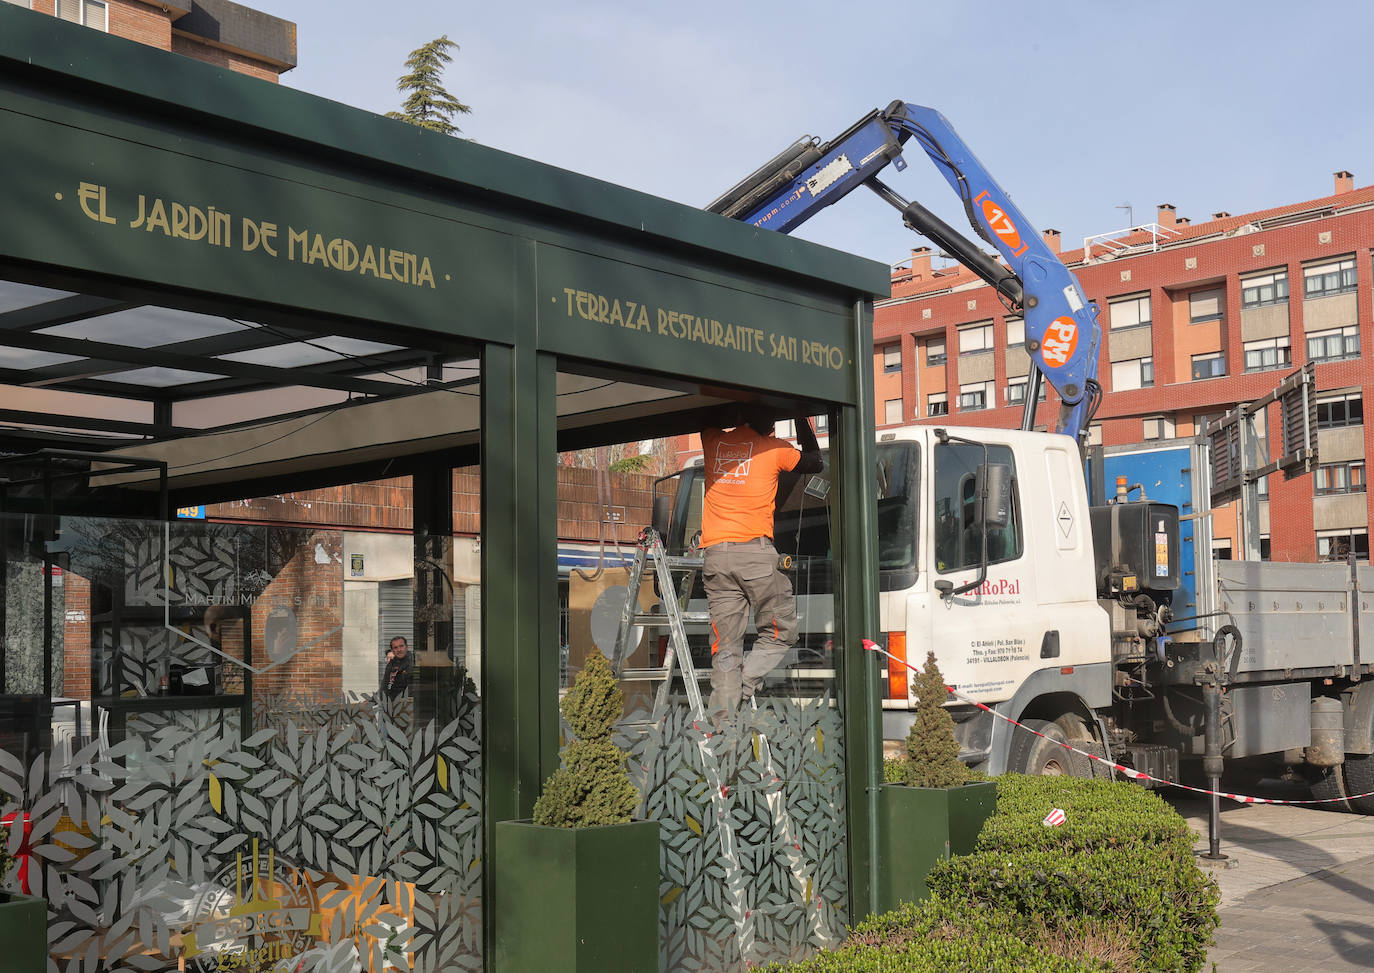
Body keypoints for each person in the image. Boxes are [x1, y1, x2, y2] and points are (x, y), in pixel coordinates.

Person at [700, 405, 823, 726]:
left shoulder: (712, 441)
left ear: (739, 418)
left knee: (726, 647)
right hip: (754, 553)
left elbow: (709, 413)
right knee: (781, 633)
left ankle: (722, 725)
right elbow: (814, 460)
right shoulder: (775, 449)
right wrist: (801, 415)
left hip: (715, 555)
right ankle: (744, 684)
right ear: (771, 427)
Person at [383, 635, 412, 700]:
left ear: (407, 647)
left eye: (401, 646)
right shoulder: (391, 664)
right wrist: (370, 701)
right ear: (392, 651)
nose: (399, 650)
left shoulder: (414, 661)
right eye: (395, 648)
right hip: (394, 704)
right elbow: (385, 687)